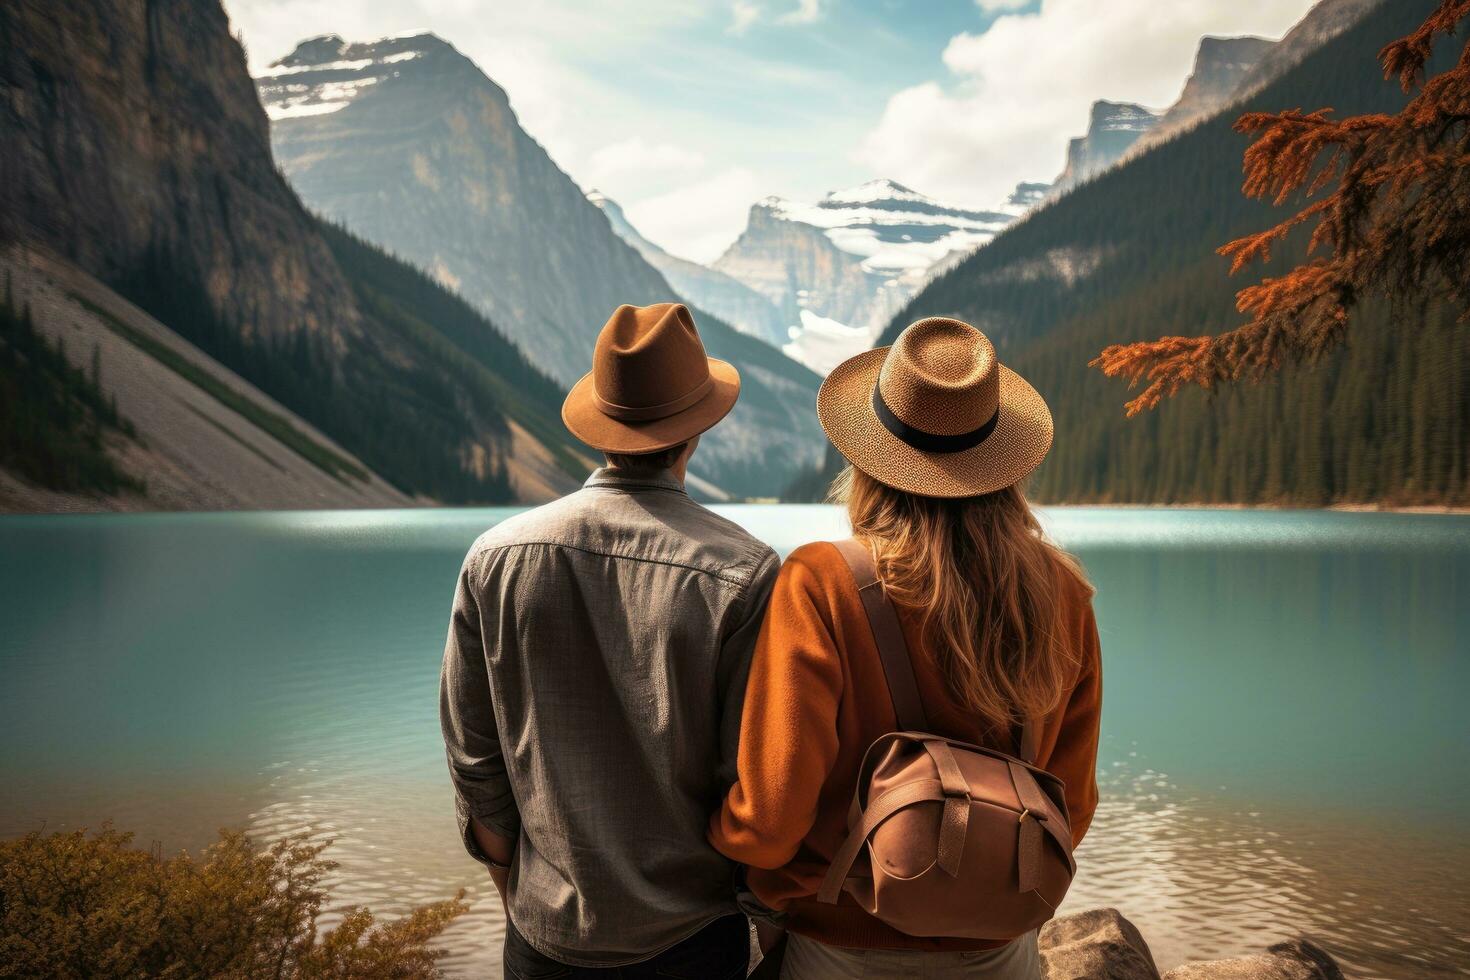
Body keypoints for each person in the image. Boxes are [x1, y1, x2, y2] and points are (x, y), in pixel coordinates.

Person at [710, 316, 1102, 979]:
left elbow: (772, 819)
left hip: (842, 945)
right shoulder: (1062, 593)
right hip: (1001, 952)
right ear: (1001, 460)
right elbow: (1072, 804)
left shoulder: (823, 583)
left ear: (870, 460)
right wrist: (979, 881)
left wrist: (717, 838)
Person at [440, 303, 780, 979]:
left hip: (543, 944)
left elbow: (476, 762)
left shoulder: (494, 558)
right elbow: (754, 784)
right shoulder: (744, 573)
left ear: (601, 426)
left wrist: (521, 899)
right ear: (695, 434)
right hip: (695, 944)